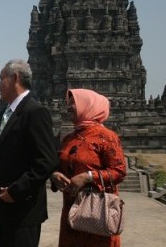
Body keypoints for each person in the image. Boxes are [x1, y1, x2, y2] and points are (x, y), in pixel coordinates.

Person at [0, 59, 59, 247]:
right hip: (3, 208)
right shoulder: (6, 112)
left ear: (15, 78)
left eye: (1, 78)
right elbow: (5, 153)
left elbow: (47, 161)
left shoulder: (35, 112)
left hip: (23, 209)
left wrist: (16, 191)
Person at [50, 88, 127, 247]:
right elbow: (61, 166)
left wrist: (88, 176)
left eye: (74, 103)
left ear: (88, 106)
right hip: (72, 209)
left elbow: (119, 171)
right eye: (68, 103)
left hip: (98, 212)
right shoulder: (68, 139)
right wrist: (55, 175)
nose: (68, 107)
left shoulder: (106, 137)